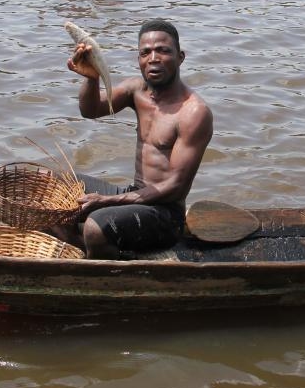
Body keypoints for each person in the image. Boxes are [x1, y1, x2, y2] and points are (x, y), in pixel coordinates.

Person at [62, 20, 213, 259]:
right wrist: (92, 79)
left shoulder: (193, 112)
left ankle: (118, 267)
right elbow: (90, 110)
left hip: (165, 213)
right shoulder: (136, 90)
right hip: (135, 194)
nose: (153, 58)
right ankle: (82, 253)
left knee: (94, 228)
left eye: (163, 50)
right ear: (139, 59)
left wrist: (107, 201)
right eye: (146, 52)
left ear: (180, 57)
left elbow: (175, 187)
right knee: (60, 186)